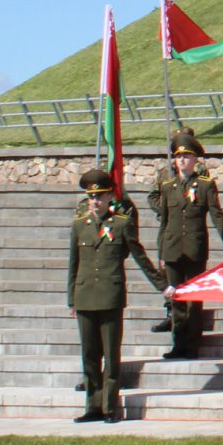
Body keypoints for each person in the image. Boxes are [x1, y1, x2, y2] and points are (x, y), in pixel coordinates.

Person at [67, 168, 166, 422]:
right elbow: (73, 264)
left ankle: (111, 407)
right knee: (89, 355)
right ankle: (93, 406)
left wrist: (161, 284)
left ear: (111, 196)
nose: (96, 201)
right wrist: (72, 299)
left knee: (111, 355)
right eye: (92, 197)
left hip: (110, 296)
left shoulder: (121, 224)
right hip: (85, 296)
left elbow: (140, 255)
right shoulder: (80, 226)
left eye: (100, 196)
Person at [148, 132, 223, 359]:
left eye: (187, 156)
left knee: (194, 301)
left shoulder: (206, 185)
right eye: (179, 157)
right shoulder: (168, 186)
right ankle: (178, 344)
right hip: (172, 248)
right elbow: (165, 222)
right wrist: (161, 252)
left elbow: (217, 217)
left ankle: (192, 345)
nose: (182, 160)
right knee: (176, 300)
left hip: (195, 248)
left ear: (196, 159)